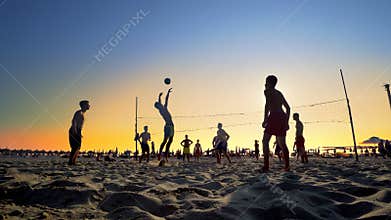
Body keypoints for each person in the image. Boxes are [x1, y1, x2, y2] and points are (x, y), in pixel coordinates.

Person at [261, 75, 290, 172]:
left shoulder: (267, 91)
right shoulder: (279, 93)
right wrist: (286, 122)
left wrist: (265, 119)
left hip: (274, 116)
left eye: (266, 82)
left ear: (269, 83)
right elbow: (288, 108)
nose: (265, 84)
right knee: (283, 144)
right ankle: (287, 166)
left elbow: (267, 105)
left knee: (265, 141)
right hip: (282, 117)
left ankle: (266, 167)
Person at [154, 88, 174, 162]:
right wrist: (167, 93)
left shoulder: (161, 108)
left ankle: (164, 155)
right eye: (159, 104)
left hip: (171, 126)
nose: (160, 104)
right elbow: (166, 100)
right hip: (168, 126)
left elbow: (161, 101)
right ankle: (161, 154)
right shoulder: (162, 109)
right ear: (159, 106)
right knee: (166, 141)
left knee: (169, 141)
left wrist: (159, 96)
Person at [68, 100, 90, 165]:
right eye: (87, 104)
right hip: (74, 130)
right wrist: (75, 131)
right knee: (75, 147)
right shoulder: (79, 112)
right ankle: (71, 162)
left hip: (78, 131)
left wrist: (80, 133)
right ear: (83, 105)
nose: (89, 105)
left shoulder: (82, 113)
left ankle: (73, 162)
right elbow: (73, 121)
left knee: (78, 147)